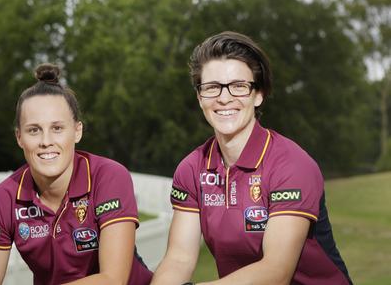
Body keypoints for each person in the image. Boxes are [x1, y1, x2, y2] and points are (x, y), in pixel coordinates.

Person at [151, 32, 352, 285]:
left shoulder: (292, 164)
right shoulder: (191, 168)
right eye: (212, 87)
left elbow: (275, 272)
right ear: (200, 97)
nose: (224, 98)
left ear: (258, 94)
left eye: (238, 86)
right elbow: (179, 258)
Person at [0, 64, 153, 285]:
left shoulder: (109, 176)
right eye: (34, 130)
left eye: (57, 128)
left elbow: (113, 280)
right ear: (19, 137)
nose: (46, 141)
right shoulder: (3, 200)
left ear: (77, 131)